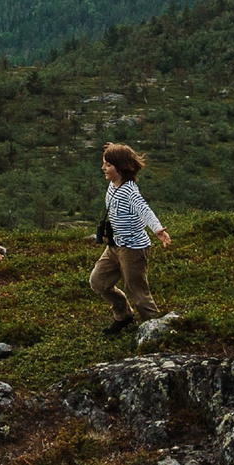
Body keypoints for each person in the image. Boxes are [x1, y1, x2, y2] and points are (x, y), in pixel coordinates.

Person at [91, 142, 170, 335]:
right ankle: (124, 316)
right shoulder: (113, 184)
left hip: (134, 249)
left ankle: (157, 330)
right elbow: (121, 156)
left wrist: (157, 229)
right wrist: (114, 148)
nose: (104, 168)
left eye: (108, 165)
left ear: (120, 167)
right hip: (115, 245)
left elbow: (144, 209)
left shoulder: (130, 191)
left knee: (137, 291)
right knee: (98, 282)